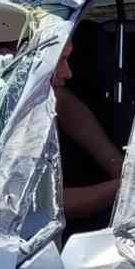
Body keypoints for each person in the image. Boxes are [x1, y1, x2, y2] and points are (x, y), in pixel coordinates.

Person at [53, 41, 123, 224]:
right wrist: (126, 188)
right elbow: (44, 207)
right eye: (59, 60)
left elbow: (61, 101)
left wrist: (120, 168)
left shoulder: (53, 98)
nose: (68, 73)